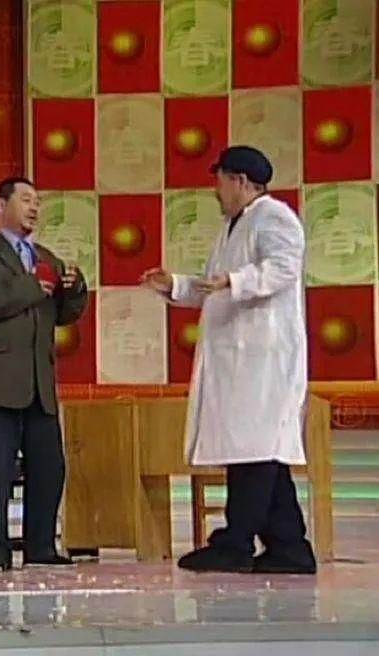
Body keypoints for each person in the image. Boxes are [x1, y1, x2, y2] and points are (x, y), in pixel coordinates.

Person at [140, 145, 316, 574]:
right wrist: (174, 285)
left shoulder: (274, 216)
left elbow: (283, 267)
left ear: (239, 181)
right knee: (258, 451)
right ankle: (289, 547)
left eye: (219, 181)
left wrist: (235, 280)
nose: (215, 190)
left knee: (254, 451)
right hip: (239, 360)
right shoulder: (233, 226)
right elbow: (213, 285)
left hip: (263, 358)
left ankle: (235, 543)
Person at [0, 176, 89, 570]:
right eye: (26, 200)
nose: (34, 208)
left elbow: (63, 314)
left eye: (37, 202)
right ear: (1, 205)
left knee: (49, 467)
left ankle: (41, 547)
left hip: (39, 384)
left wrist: (74, 289)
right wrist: (33, 286)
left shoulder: (45, 257)